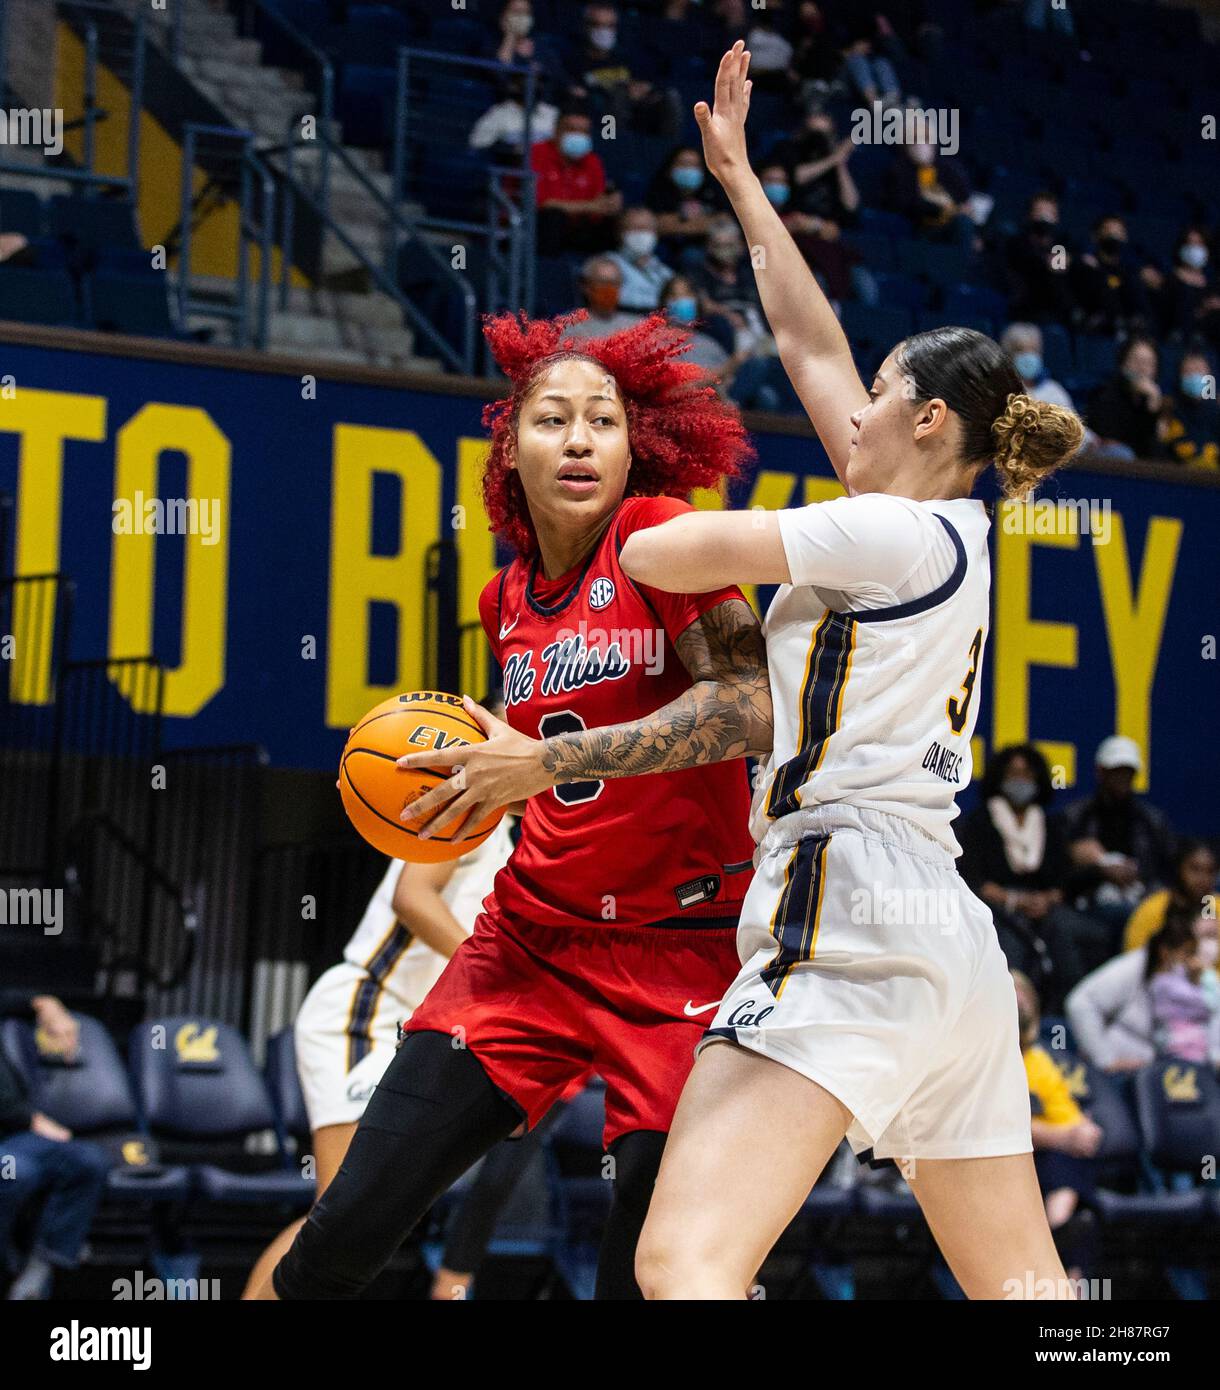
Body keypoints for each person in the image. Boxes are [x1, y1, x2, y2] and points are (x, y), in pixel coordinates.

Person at [625, 43, 1085, 1300]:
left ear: (927, 419)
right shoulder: (945, 527)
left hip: (847, 900)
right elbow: (808, 341)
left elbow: (665, 555)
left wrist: (620, 492)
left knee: (684, 1263)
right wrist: (737, 179)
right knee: (1029, 1296)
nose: (854, 409)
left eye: (882, 396)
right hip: (947, 936)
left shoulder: (879, 533)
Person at [256, 308, 772, 1301]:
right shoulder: (504, 601)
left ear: (636, 448)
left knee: (648, 1281)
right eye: (551, 419)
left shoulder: (660, 538)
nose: (578, 438)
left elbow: (749, 708)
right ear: (509, 451)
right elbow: (518, 762)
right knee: (342, 1232)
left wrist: (548, 760)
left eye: (603, 420)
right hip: (529, 945)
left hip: (685, 952)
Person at [241, 734, 518, 1300]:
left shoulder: (535, 839)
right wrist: (490, 974)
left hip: (421, 1024)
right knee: (341, 1212)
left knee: (372, 1215)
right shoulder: (466, 808)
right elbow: (412, 898)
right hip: (365, 1009)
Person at [958, 743, 1112, 1011]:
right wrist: (1015, 900)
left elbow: (1064, 880)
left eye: (1027, 774)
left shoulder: (1051, 826)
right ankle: (1012, 1014)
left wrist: (1047, 899)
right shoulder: (979, 823)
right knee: (1010, 942)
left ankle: (1069, 1012)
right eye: (1013, 774)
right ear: (999, 778)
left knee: (1082, 933)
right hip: (998, 907)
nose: (1021, 781)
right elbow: (974, 880)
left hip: (1045, 907)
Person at [0, 991, 111, 1300]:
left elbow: (20, 1000)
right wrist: (28, 1119)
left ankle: (41, 1267)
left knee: (88, 1161)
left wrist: (50, 1006)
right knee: (14, 1173)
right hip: (16, 1130)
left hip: (14, 1136)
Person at [1012, 971, 1101, 1282]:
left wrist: (1082, 1130)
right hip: (1014, 1161)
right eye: (1012, 995)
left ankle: (1060, 1241)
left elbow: (1065, 1111)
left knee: (1081, 1210)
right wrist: (1064, 1137)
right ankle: (1059, 1239)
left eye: (1024, 997)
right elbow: (1000, 1127)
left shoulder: (1040, 1058)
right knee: (1065, 1165)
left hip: (1052, 1157)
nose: (1020, 1005)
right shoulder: (987, 1061)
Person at [1062, 734, 1176, 934]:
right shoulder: (1076, 817)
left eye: (1128, 772)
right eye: (1116, 772)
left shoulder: (1152, 820)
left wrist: (1138, 875)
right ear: (1101, 772)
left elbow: (1168, 869)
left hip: (1142, 899)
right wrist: (1099, 871)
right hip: (1088, 901)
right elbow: (1061, 876)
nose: (1122, 778)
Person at [1065, 914, 1206, 1073]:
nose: (1191, 960)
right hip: (1116, 1071)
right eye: (1187, 953)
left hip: (1155, 1066)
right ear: (1165, 952)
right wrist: (1104, 1059)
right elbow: (1079, 1003)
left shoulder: (1180, 976)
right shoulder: (1131, 967)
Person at [530, 106, 622, 257]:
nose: (578, 136)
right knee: (552, 218)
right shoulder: (536, 153)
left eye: (584, 132)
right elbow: (542, 204)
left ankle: (605, 272)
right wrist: (590, 206)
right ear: (556, 131)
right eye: (571, 129)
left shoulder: (592, 160)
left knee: (613, 224)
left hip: (578, 225)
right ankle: (547, 269)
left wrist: (610, 204)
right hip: (540, 226)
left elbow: (598, 203)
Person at [1124, 839, 1217, 953]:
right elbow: (1135, 957)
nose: (1203, 879)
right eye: (1194, 869)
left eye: (1210, 871)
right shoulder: (1154, 908)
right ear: (1179, 869)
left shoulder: (1215, 905)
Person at [1148, 920, 1220, 1065]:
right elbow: (1208, 1004)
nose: (1188, 957)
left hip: (1202, 1055)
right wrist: (1200, 979)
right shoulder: (1161, 981)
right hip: (1174, 1053)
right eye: (1186, 951)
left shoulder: (1198, 975)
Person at [1072, 216, 1156, 335]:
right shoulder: (1087, 266)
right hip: (1093, 330)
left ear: (1125, 237)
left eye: (1118, 232)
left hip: (1123, 330)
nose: (1113, 236)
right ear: (1096, 236)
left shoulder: (1129, 274)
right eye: (1108, 231)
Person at [883, 140, 975, 248]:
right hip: (923, 228)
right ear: (906, 148)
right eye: (915, 144)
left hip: (953, 225)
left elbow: (965, 199)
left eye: (926, 142)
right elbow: (907, 206)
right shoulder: (899, 172)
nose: (921, 148)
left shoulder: (948, 168)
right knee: (962, 223)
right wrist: (950, 210)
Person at [1087, 337, 1166, 462]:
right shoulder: (1106, 394)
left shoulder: (1152, 398)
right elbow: (1110, 441)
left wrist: (1153, 407)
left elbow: (1153, 450)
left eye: (1148, 363)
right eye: (1137, 361)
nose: (1142, 369)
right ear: (1123, 363)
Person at [1004, 193, 1077, 324]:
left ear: (1057, 218)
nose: (1045, 217)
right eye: (1040, 212)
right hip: (1023, 309)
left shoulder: (1060, 246)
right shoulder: (1017, 242)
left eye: (1050, 213)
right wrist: (1047, 263)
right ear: (1029, 215)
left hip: (1055, 313)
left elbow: (1059, 270)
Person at [646, 146, 724, 248]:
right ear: (670, 168)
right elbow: (661, 225)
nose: (689, 169)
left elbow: (725, 220)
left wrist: (681, 223)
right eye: (684, 164)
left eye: (695, 165)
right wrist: (706, 224)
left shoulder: (712, 191)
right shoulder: (658, 192)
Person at [1158, 346, 1219, 469]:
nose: (1195, 376)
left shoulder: (1216, 408)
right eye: (1189, 372)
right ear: (1180, 377)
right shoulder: (1169, 408)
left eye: (1199, 371)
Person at [605, 207, 674, 311]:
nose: (641, 233)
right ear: (621, 233)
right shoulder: (608, 265)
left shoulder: (664, 272)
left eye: (646, 228)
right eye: (635, 228)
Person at [563, 256, 641, 339]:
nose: (609, 288)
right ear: (586, 286)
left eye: (615, 283)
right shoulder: (569, 328)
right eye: (603, 283)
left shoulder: (637, 326)